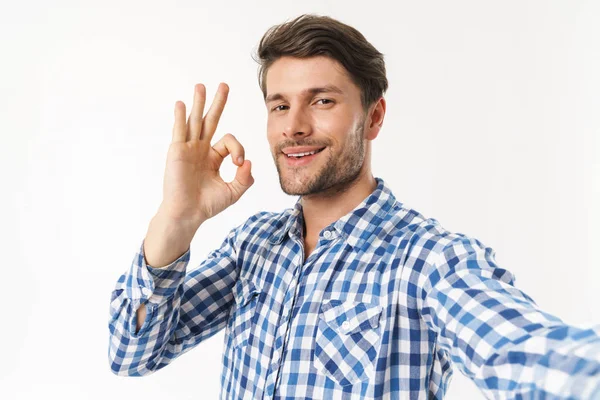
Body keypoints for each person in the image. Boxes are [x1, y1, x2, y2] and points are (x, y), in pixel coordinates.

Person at [107, 14, 600, 399]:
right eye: (280, 105)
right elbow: (131, 354)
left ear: (374, 117)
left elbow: (527, 355)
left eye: (321, 101)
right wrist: (175, 220)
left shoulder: (428, 261)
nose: (294, 126)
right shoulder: (251, 246)